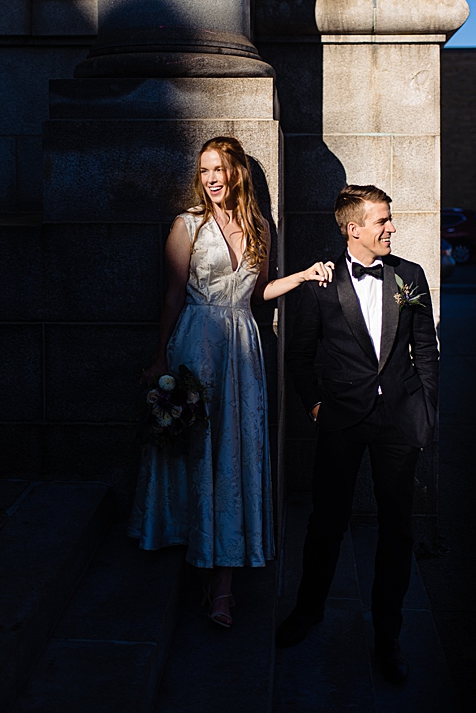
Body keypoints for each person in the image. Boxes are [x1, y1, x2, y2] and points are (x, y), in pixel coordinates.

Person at [128, 136, 333, 629]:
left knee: (236, 456)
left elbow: (261, 292)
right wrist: (160, 357)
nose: (211, 178)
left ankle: (224, 586)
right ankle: (197, 554)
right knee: (196, 450)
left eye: (218, 169)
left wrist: (303, 275)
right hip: (196, 344)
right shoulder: (188, 225)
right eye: (203, 171)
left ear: (237, 172)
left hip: (243, 349)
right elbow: (173, 296)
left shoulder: (260, 226)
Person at [275, 184, 439, 684]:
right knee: (327, 521)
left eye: (389, 220)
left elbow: (426, 351)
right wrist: (317, 406)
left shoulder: (409, 276)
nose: (391, 227)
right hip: (342, 421)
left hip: (398, 424)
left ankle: (387, 636)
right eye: (382, 221)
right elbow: (300, 357)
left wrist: (424, 412)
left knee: (397, 528)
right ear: (355, 229)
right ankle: (309, 610)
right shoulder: (320, 284)